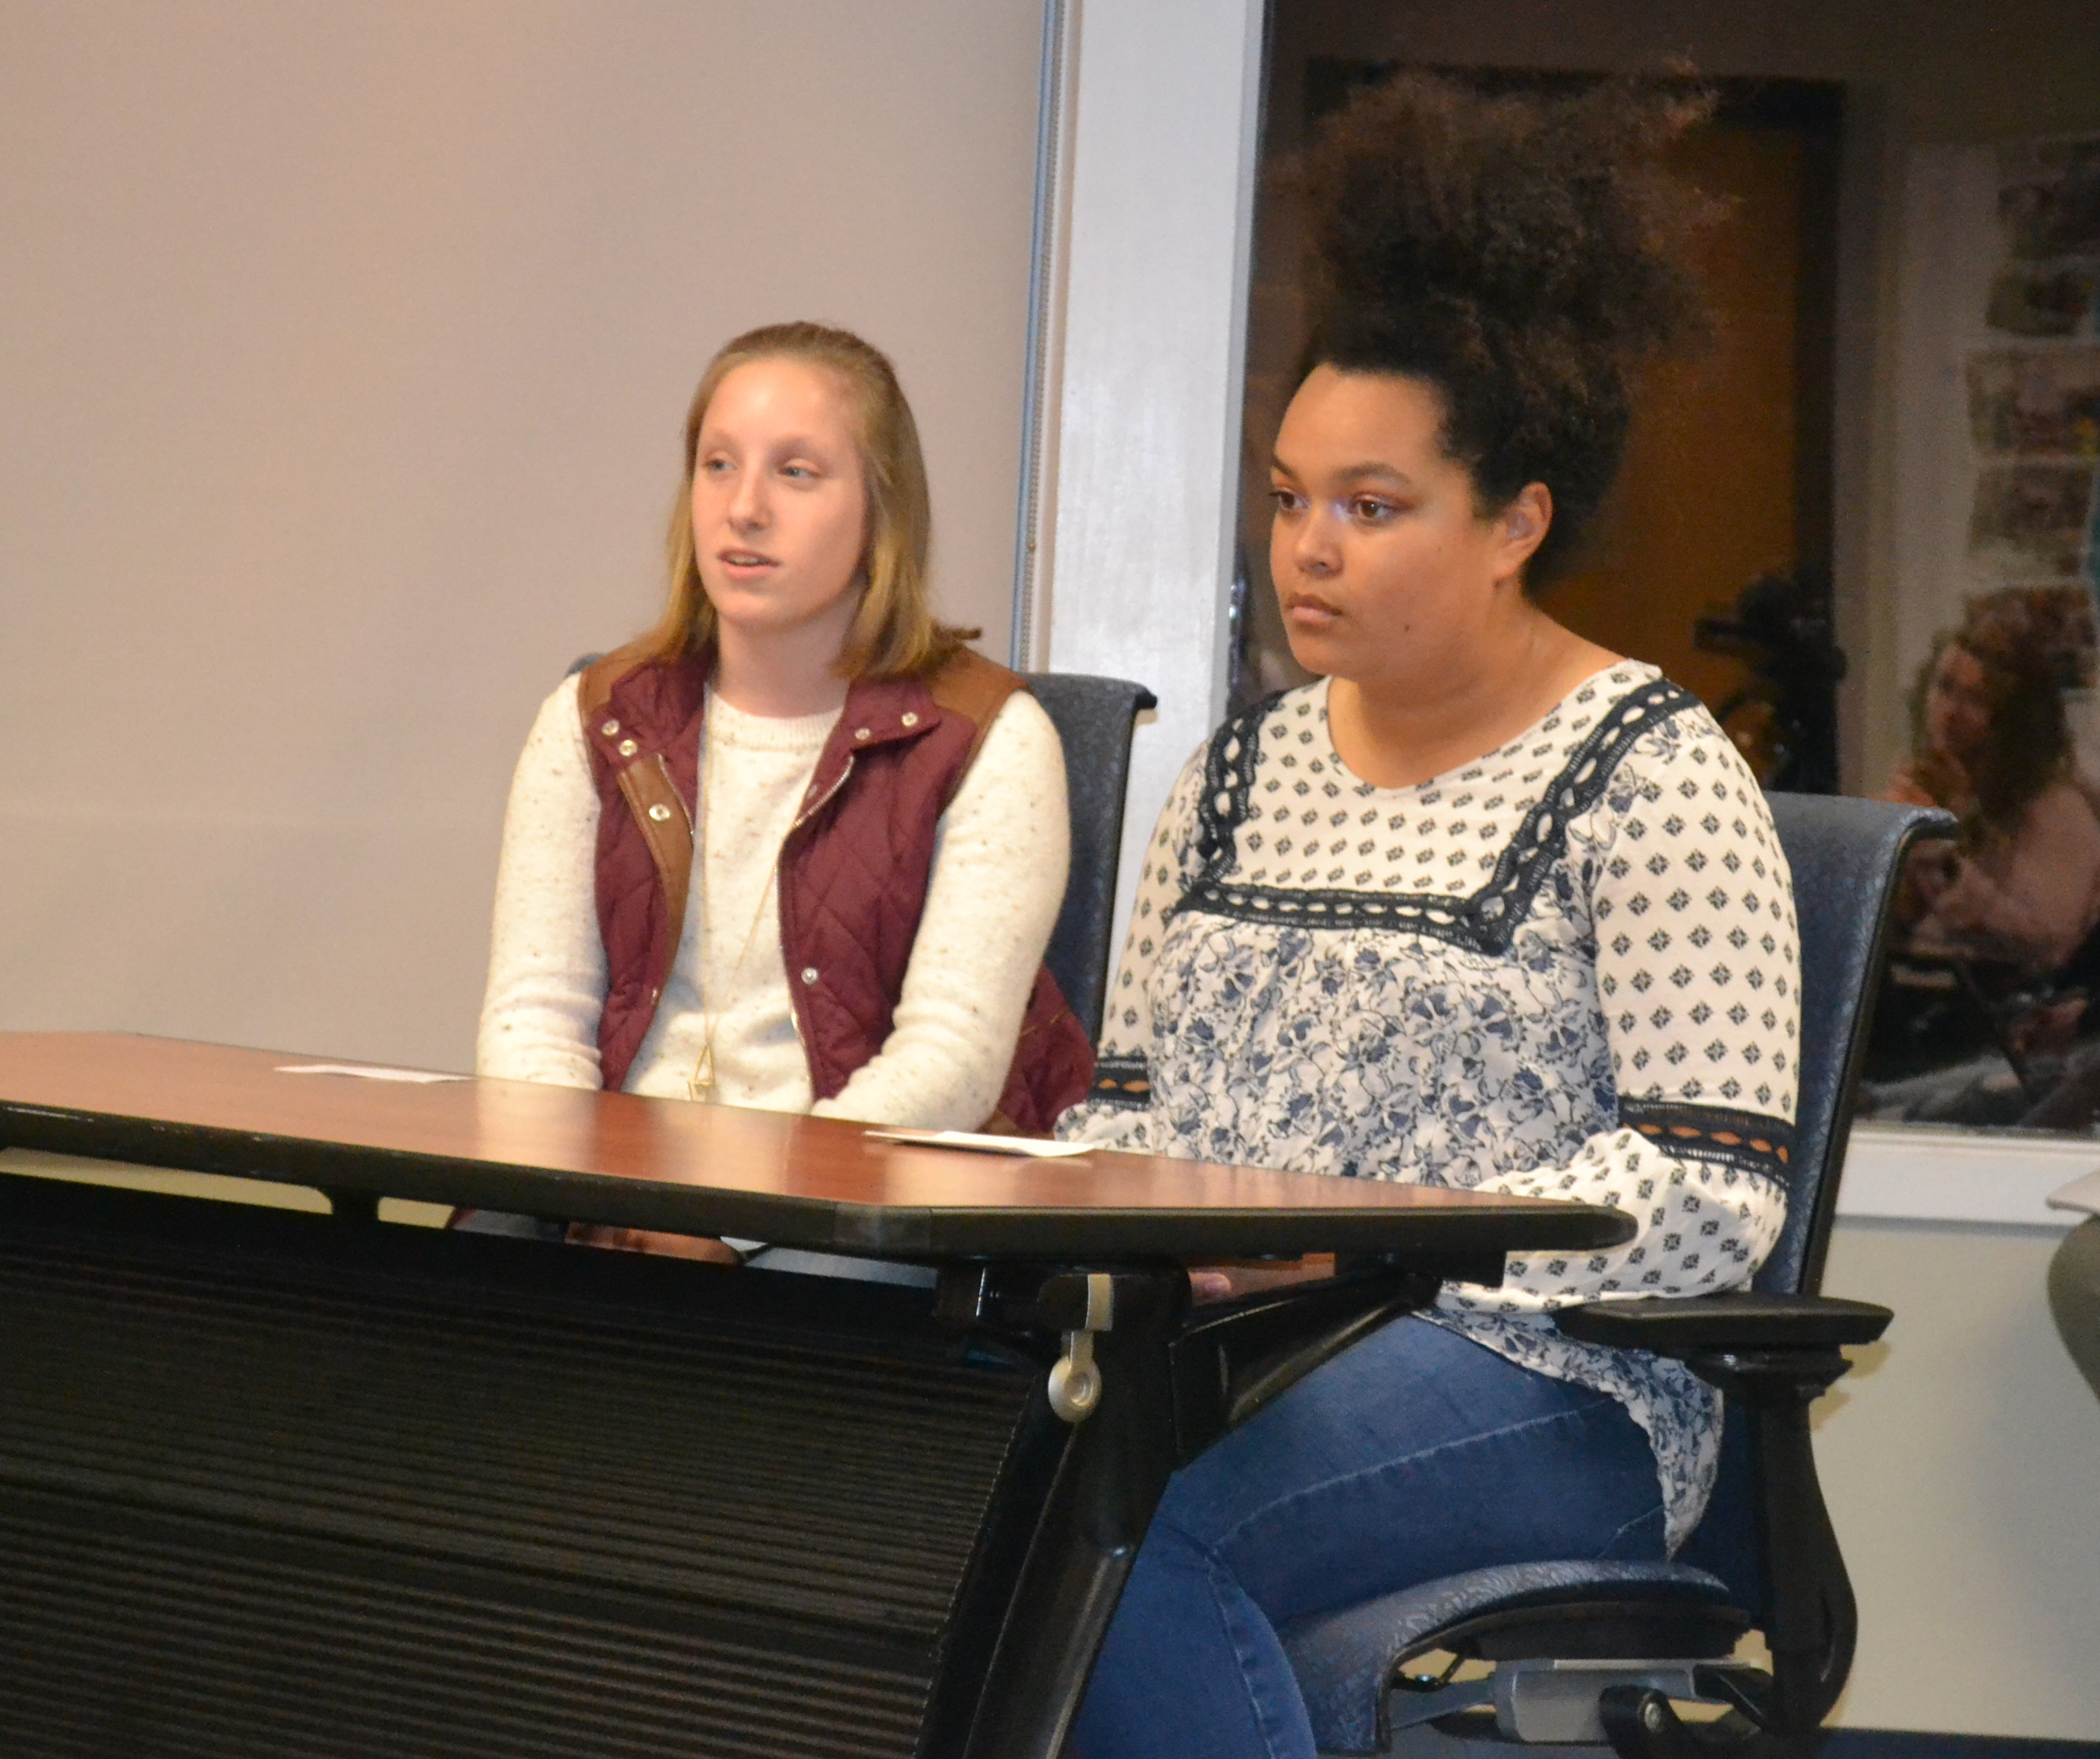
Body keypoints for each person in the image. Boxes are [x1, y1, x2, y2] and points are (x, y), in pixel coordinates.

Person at [1053, 76, 1798, 1757]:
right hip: (1236, 1346)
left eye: (1371, 508)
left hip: (1550, 1382)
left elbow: (1706, 1191)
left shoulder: (1654, 776)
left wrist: (1374, 1243)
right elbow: (1126, 1106)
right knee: (972, 1482)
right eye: (1290, 493)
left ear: (1514, 525)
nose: (1307, 549)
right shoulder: (1236, 776)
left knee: (1123, 1541)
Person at [475, 322, 1091, 1255]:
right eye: (718, 465)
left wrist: (740, 1223)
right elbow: (533, 1020)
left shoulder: (993, 740)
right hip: (608, 1205)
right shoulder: (595, 716)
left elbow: (949, 1067)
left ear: (882, 510)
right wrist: (603, 1202)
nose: (745, 508)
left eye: (796, 473)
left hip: (852, 1215)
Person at [1887, 594, 2100, 980]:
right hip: (1919, 999)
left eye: (1975, 699)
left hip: (2000, 1021)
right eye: (1944, 687)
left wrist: (1945, 862)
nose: (1949, 713)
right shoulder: (1933, 784)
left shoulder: (2058, 808)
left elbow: (2046, 940)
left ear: (2012, 719)